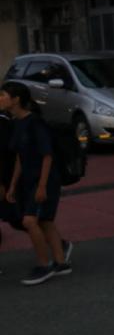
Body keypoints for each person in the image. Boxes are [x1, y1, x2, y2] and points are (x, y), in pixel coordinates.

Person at [0, 82, 70, 285]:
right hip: (28, 180)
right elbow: (20, 158)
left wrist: (42, 186)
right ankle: (61, 262)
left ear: (16, 99)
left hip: (44, 180)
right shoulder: (16, 123)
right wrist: (13, 184)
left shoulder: (35, 123)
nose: (0, 99)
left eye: (3, 95)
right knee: (45, 221)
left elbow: (47, 156)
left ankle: (44, 265)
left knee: (29, 221)